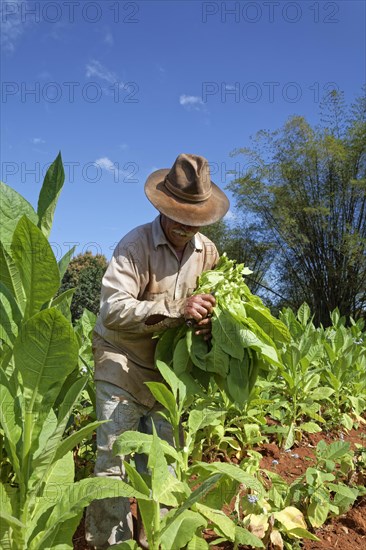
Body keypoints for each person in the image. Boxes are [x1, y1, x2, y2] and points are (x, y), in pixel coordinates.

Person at [85, 153, 230, 549]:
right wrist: (174, 309)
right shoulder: (135, 245)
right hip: (122, 362)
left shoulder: (208, 253)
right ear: (163, 206)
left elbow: (214, 305)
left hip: (168, 373)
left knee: (163, 462)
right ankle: (110, 543)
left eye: (194, 218)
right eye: (179, 214)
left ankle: (158, 540)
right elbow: (112, 310)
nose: (186, 225)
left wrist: (208, 321)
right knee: (113, 462)